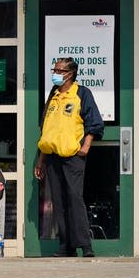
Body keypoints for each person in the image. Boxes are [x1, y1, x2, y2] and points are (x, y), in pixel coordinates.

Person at [34, 57, 103, 257]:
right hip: (53, 156)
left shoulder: (82, 93)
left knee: (74, 198)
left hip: (73, 155)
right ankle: (66, 246)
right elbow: (46, 130)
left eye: (58, 70)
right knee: (58, 200)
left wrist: (86, 146)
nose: (54, 73)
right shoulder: (54, 94)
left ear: (69, 73)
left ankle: (85, 245)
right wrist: (41, 160)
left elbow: (95, 123)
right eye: (53, 69)